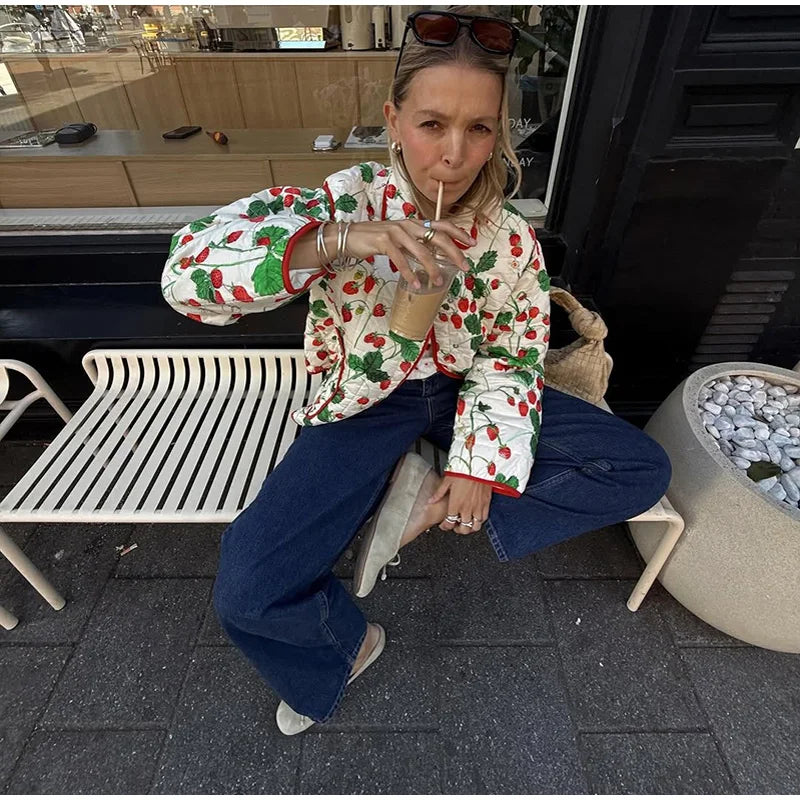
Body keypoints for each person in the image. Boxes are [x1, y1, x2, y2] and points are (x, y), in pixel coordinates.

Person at [160, 6, 671, 735]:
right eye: (432, 124)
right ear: (394, 119)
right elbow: (185, 275)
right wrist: (338, 241)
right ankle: (348, 644)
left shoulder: (509, 239)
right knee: (248, 587)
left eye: (479, 128)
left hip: (468, 390)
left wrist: (478, 461)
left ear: (500, 133)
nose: (455, 154)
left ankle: (429, 496)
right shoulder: (346, 199)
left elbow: (512, 352)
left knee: (638, 470)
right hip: (368, 398)